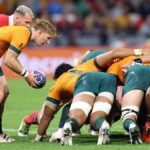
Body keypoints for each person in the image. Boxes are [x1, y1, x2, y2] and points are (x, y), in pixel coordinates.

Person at [0, 18, 57, 143]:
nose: (47, 42)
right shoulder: (24, 33)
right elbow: (8, 60)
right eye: (48, 38)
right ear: (40, 32)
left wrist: (26, 74)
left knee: (4, 91)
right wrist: (26, 75)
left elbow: (13, 58)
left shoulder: (23, 34)